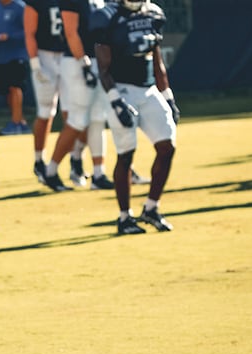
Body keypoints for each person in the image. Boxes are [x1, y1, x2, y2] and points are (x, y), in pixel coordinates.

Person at [92, 0, 180, 234]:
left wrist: (167, 96)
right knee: (126, 154)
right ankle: (124, 217)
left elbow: (156, 59)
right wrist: (115, 100)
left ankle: (151, 208)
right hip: (121, 89)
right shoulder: (107, 17)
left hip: (149, 90)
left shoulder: (153, 13)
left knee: (167, 146)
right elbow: (103, 68)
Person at [40, 0, 116, 192]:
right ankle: (50, 171)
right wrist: (83, 61)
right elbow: (71, 31)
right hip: (77, 61)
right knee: (77, 120)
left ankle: (98, 174)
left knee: (98, 119)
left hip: (96, 60)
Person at [23, 0, 65, 182]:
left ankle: (77, 160)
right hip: (44, 56)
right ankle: (39, 160)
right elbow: (29, 32)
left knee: (74, 113)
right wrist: (35, 63)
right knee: (46, 111)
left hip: (68, 55)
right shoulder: (36, 3)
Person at [0, 0, 31, 135]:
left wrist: (9, 36)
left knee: (15, 87)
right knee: (8, 91)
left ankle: (16, 124)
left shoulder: (20, 7)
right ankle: (20, 122)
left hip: (17, 55)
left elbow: (28, 31)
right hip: (1, 57)